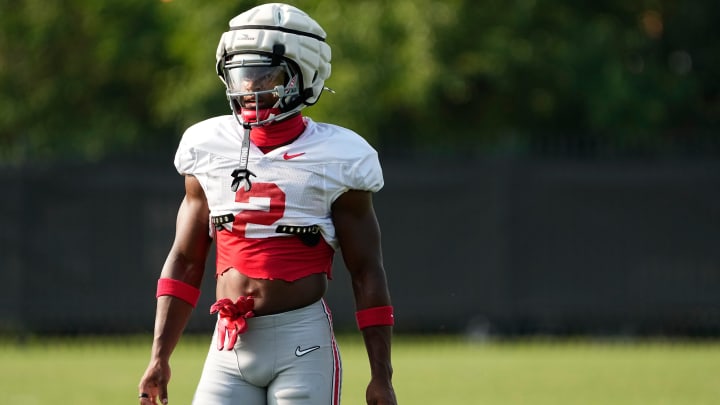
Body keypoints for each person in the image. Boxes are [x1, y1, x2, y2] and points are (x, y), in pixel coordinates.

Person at [137, 3, 397, 405]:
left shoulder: (340, 155)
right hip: (228, 346)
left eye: (264, 75)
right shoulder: (206, 146)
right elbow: (186, 260)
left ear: (304, 76)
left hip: (302, 344)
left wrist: (382, 375)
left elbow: (366, 271)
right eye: (240, 74)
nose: (248, 88)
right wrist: (159, 357)